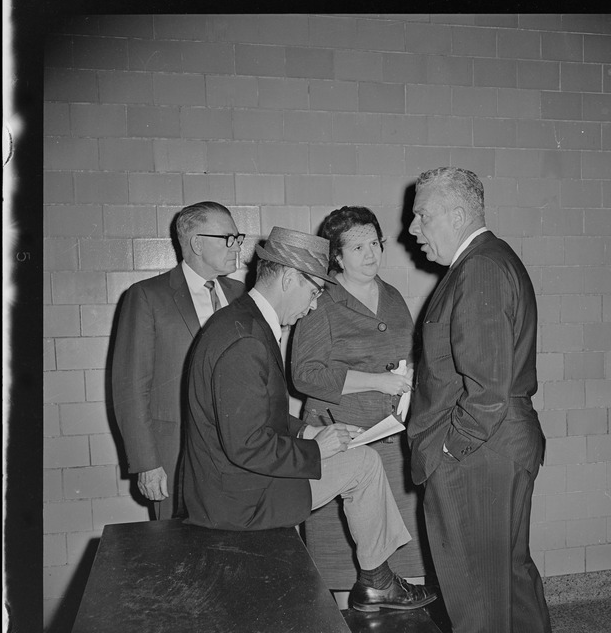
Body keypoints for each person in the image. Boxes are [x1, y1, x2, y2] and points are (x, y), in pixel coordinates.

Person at [180, 226, 436, 613]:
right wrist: (315, 447)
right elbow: (246, 445)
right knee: (363, 467)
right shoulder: (246, 339)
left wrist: (307, 428)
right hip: (240, 501)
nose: (315, 305)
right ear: (288, 278)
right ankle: (378, 581)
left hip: (237, 484)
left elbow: (259, 412)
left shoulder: (242, 321)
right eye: (315, 291)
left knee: (363, 463)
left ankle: (377, 580)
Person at [407, 167, 565, 633]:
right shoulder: (491, 261)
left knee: (476, 602)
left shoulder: (477, 270)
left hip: (479, 455)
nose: (412, 227)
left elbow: (488, 391)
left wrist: (450, 452)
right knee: (509, 585)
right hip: (501, 448)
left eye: (422, 213)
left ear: (458, 213)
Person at [290, 206, 428, 591]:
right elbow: (305, 375)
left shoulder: (393, 295)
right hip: (343, 443)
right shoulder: (323, 301)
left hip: (393, 445)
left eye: (375, 243)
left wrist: (409, 378)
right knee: (344, 572)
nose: (370, 255)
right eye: (357, 248)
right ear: (336, 256)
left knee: (408, 561)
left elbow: (407, 355)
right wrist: (377, 382)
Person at [111, 201, 246, 519]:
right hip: (177, 455)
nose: (237, 246)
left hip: (239, 452)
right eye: (229, 237)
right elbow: (131, 387)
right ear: (197, 243)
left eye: (238, 237)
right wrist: (147, 463)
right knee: (180, 552)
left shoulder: (243, 295)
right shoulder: (147, 296)